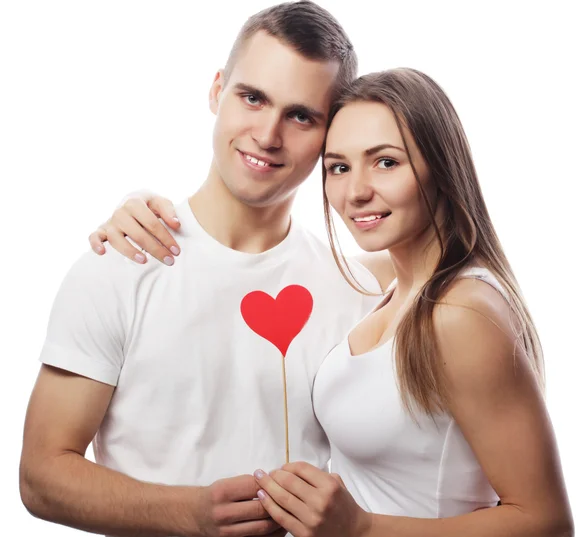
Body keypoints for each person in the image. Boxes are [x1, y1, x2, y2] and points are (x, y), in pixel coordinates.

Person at [97, 69, 574, 536]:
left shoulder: (461, 313)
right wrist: (144, 209)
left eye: (386, 162)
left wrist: (362, 528)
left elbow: (546, 523)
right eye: (339, 168)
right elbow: (253, 268)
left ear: (441, 166)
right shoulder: (392, 284)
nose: (356, 191)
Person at [19, 3, 392, 537]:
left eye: (301, 115)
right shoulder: (120, 265)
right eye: (253, 97)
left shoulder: (359, 294)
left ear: (330, 133)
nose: (267, 134)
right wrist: (189, 514)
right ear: (217, 90)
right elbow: (40, 476)